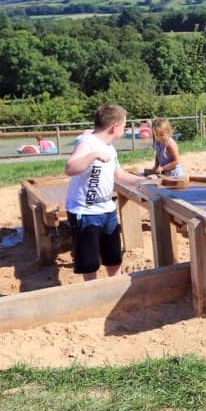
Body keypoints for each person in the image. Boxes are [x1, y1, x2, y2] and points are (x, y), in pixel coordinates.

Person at [64, 104, 153, 281]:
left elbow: (118, 176)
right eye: (124, 125)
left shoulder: (110, 148)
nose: (125, 129)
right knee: (89, 263)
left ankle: (115, 290)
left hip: (107, 209)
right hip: (85, 211)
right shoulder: (87, 143)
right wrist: (93, 156)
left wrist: (144, 181)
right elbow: (70, 168)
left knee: (113, 258)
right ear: (115, 126)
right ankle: (93, 296)